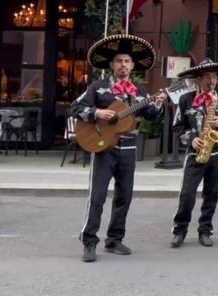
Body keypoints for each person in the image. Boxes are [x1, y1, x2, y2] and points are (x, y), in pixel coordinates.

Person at [70, 34, 167, 262]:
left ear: (132, 66)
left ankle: (114, 239)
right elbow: (75, 107)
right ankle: (89, 241)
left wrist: (159, 105)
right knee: (98, 196)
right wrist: (98, 113)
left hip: (129, 148)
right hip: (104, 147)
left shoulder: (140, 92)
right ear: (112, 65)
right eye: (119, 61)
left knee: (124, 196)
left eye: (127, 61)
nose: (123, 65)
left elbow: (151, 116)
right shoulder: (99, 87)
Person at [170, 59, 218, 248]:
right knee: (187, 194)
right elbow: (177, 127)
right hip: (194, 153)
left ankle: (205, 230)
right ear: (198, 79)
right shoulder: (186, 100)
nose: (212, 80)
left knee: (211, 194)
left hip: (216, 153)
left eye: (214, 76)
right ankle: (179, 230)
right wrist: (191, 138)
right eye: (207, 76)